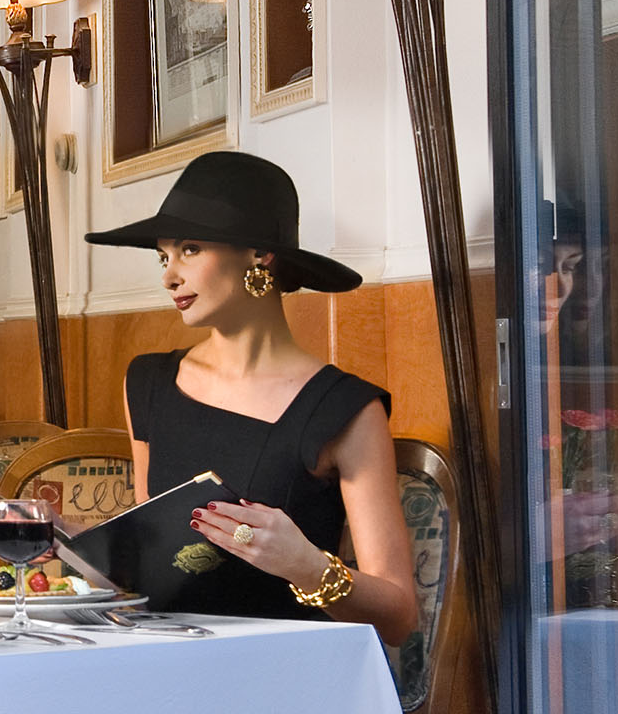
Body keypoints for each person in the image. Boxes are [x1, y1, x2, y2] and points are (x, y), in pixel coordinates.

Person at [84, 151, 418, 644]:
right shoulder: (148, 382)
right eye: (164, 256)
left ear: (260, 254)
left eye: (190, 249)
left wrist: (306, 566)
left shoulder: (345, 409)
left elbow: (400, 616)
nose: (169, 276)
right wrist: (72, 540)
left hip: (285, 672)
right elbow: (152, 568)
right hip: (162, 662)